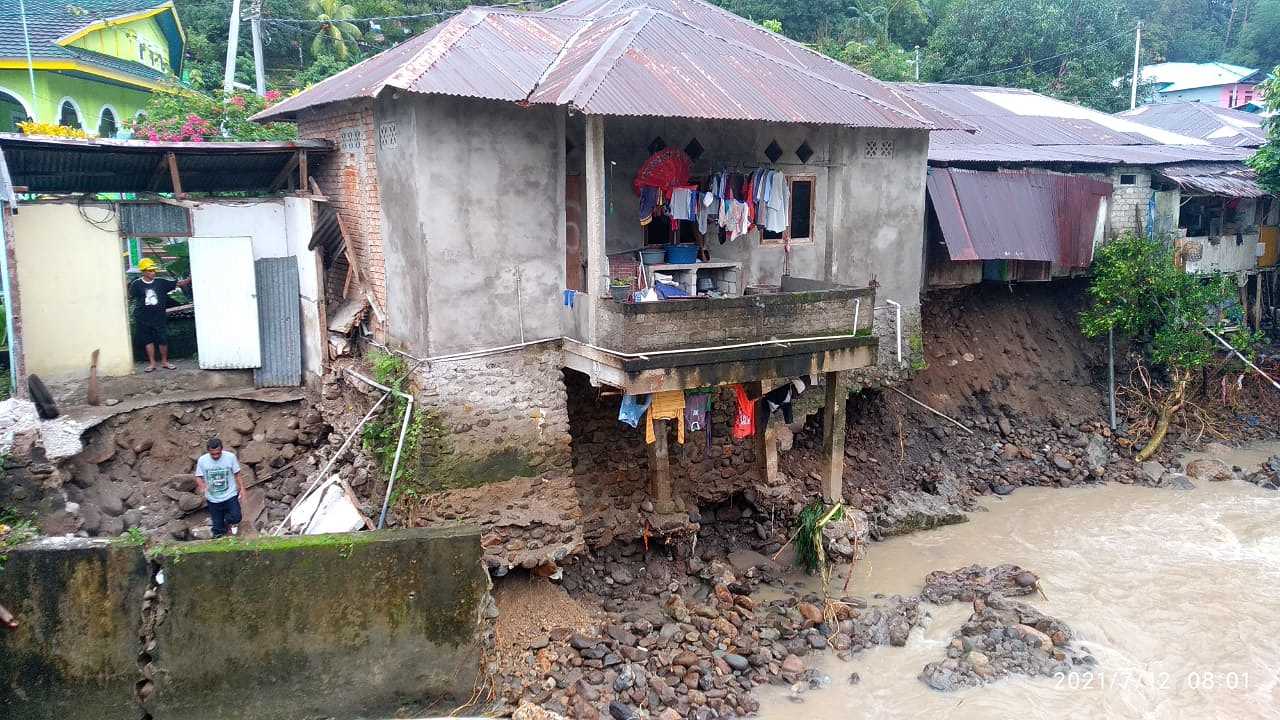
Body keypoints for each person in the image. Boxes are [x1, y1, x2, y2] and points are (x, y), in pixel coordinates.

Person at [128, 258, 191, 373]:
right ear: (144, 272)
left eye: (153, 270)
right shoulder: (136, 284)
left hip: (159, 317)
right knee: (148, 340)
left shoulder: (161, 282)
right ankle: (152, 363)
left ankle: (164, 362)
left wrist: (191, 278)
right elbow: (131, 298)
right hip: (143, 318)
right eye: (150, 270)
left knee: (162, 339)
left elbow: (179, 284)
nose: (153, 272)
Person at [194, 438, 243, 538]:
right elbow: (198, 476)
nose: (216, 456)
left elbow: (237, 474)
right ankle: (220, 535)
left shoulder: (230, 457)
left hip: (230, 494)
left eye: (218, 453)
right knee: (218, 528)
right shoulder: (202, 460)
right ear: (208, 451)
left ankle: (227, 520)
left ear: (222, 450)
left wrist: (242, 488)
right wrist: (202, 486)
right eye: (213, 454)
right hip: (213, 498)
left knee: (236, 517)